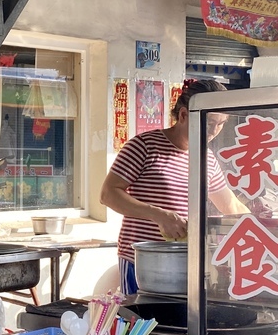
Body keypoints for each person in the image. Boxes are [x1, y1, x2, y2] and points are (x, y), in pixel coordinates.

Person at [100, 77, 248, 295]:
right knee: (142, 323)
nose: (214, 131)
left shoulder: (206, 158)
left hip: (187, 260)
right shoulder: (143, 146)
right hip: (142, 261)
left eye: (221, 124)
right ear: (183, 115)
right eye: (209, 123)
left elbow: (231, 206)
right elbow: (108, 194)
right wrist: (159, 215)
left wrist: (262, 228)